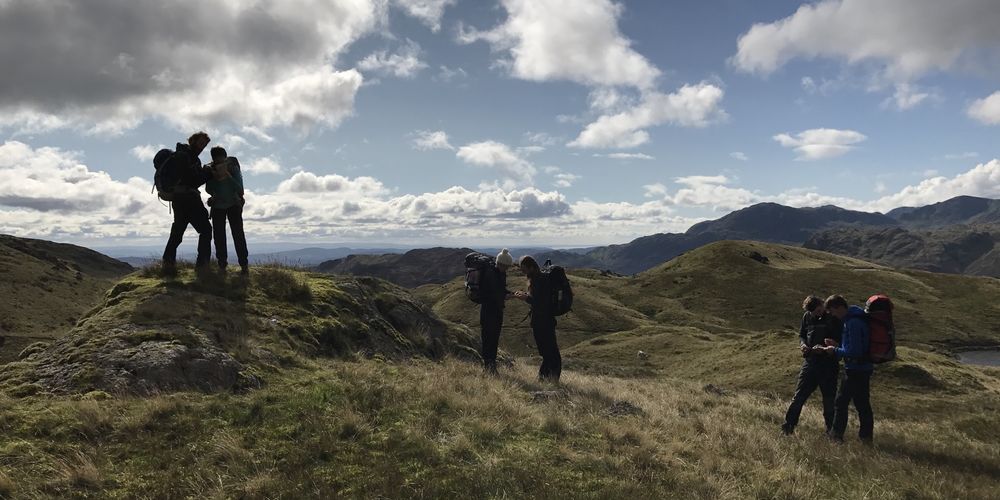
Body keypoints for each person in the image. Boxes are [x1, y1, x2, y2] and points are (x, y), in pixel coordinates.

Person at [781, 295, 842, 435]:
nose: (817, 314)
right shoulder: (807, 316)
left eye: (819, 311)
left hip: (828, 364)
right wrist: (803, 345)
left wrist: (830, 346)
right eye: (814, 313)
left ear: (822, 304)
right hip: (810, 362)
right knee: (799, 396)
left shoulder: (834, 318)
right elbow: (802, 334)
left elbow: (841, 339)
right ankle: (788, 426)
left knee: (829, 399)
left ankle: (831, 432)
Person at [818, 295, 875, 443]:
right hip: (864, 367)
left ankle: (836, 437)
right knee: (862, 403)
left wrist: (834, 350)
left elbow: (854, 351)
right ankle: (866, 438)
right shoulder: (855, 318)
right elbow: (853, 347)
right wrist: (838, 345)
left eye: (832, 312)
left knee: (841, 402)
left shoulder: (853, 323)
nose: (833, 316)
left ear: (839, 308)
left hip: (855, 368)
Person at [162, 132, 213, 272]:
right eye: (201, 143)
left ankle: (168, 264)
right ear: (193, 141)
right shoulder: (187, 157)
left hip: (178, 199)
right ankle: (202, 266)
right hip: (189, 199)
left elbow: (189, 178)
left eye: (205, 144)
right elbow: (193, 181)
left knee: (178, 232)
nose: (202, 146)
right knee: (206, 230)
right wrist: (207, 174)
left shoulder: (184, 155)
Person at [515, 255, 561, 382]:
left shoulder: (541, 280)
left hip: (544, 321)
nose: (523, 272)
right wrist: (526, 296)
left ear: (531, 267)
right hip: (541, 321)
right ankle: (549, 378)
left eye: (524, 269)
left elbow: (542, 302)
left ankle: (546, 378)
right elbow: (538, 300)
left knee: (549, 351)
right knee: (548, 351)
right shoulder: (536, 279)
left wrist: (526, 298)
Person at [205, 146, 249, 274]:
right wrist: (215, 177)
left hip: (233, 204)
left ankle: (243, 265)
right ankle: (222, 265)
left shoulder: (233, 168)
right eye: (217, 161)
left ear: (225, 158)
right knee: (219, 236)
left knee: (237, 234)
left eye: (221, 160)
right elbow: (208, 189)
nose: (219, 163)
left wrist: (228, 176)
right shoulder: (211, 170)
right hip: (219, 206)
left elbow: (240, 190)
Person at [479, 249, 514, 374]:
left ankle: (491, 365)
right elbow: (493, 294)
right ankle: (489, 366)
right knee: (489, 338)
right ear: (501, 264)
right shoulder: (490, 274)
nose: (508, 269)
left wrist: (511, 293)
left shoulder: (500, 273)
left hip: (496, 311)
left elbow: (501, 290)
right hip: (489, 311)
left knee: (494, 338)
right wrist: (506, 296)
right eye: (507, 266)